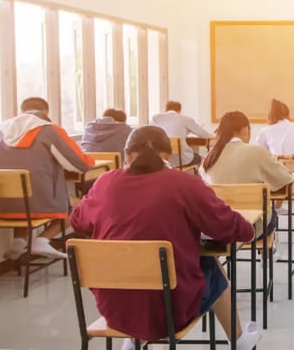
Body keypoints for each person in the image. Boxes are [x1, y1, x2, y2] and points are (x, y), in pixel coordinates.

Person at [70, 126, 262, 350]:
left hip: (114, 310)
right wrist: (250, 231)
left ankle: (132, 341)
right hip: (171, 312)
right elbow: (231, 227)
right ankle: (239, 341)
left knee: (135, 268)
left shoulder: (105, 183)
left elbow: (77, 221)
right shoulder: (184, 184)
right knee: (211, 265)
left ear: (127, 155)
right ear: (168, 155)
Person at [0, 97, 95, 259]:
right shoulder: (49, 129)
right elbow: (80, 164)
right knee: (80, 205)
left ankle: (20, 240)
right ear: (45, 112)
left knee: (26, 201)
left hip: (6, 203)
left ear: (22, 110)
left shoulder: (2, 130)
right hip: (42, 202)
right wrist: (90, 161)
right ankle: (42, 240)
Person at [202, 111, 294, 237]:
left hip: (220, 225)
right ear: (245, 129)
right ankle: (268, 250)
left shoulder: (209, 157)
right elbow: (284, 178)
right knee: (271, 211)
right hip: (253, 226)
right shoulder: (257, 152)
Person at [151, 100, 212, 168]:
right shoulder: (185, 119)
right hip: (182, 159)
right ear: (179, 110)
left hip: (163, 160)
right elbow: (206, 135)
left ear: (166, 110)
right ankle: (197, 178)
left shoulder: (156, 119)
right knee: (203, 160)